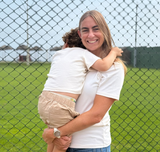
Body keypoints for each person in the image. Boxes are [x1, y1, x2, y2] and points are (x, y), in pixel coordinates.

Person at [42, 10, 127, 152]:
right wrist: (56, 134)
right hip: (64, 142)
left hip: (90, 145)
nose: (91, 35)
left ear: (104, 31)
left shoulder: (113, 68)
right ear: (80, 35)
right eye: (85, 30)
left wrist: (55, 132)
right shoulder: (77, 63)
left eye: (96, 29)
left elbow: (96, 116)